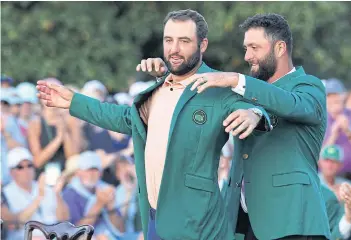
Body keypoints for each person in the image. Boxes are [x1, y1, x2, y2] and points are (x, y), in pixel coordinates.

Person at [36, 9, 272, 240]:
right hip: (154, 217)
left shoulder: (217, 86)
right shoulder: (158, 89)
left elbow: (253, 108)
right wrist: (73, 101)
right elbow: (126, 119)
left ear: (203, 45)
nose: (174, 49)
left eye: (184, 41)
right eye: (168, 40)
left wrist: (254, 115)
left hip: (198, 222)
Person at [140, 13, 330, 240]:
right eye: (246, 48)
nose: (248, 56)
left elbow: (292, 105)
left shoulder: (308, 86)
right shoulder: (246, 93)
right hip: (242, 222)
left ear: (280, 48)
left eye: (254, 47)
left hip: (292, 220)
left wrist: (236, 80)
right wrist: (169, 76)